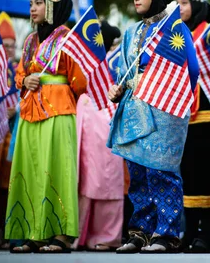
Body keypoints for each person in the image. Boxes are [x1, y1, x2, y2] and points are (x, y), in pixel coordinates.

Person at [107, 0, 199, 254]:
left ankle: (168, 233)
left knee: (162, 170)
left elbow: (191, 69)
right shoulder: (132, 31)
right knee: (139, 173)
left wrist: (159, 83)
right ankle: (140, 232)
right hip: (135, 109)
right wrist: (119, 89)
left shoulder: (175, 27)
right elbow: (123, 72)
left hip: (164, 108)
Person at [5, 0, 86, 253]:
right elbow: (18, 74)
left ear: (51, 5)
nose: (33, 8)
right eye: (31, 3)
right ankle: (33, 232)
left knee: (57, 169)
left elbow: (80, 81)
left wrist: (57, 89)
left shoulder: (68, 38)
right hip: (29, 111)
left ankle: (61, 235)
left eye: (38, 2)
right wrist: (24, 81)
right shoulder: (28, 41)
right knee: (30, 168)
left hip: (59, 110)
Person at [75, 20, 125, 252]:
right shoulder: (84, 65)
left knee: (104, 180)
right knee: (85, 179)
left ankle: (103, 235)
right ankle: (84, 233)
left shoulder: (117, 62)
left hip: (106, 122)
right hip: (86, 123)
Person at [176, 0, 210, 253]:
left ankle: (206, 233)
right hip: (183, 113)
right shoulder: (179, 34)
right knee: (187, 174)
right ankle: (189, 230)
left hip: (205, 112)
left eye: (183, 3)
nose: (178, 8)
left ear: (198, 4)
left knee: (205, 173)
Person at [0, 12, 18, 249]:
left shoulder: (18, 70)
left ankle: (7, 231)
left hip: (12, 136)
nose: (9, 49)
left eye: (12, 46)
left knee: (8, 185)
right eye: (5, 45)